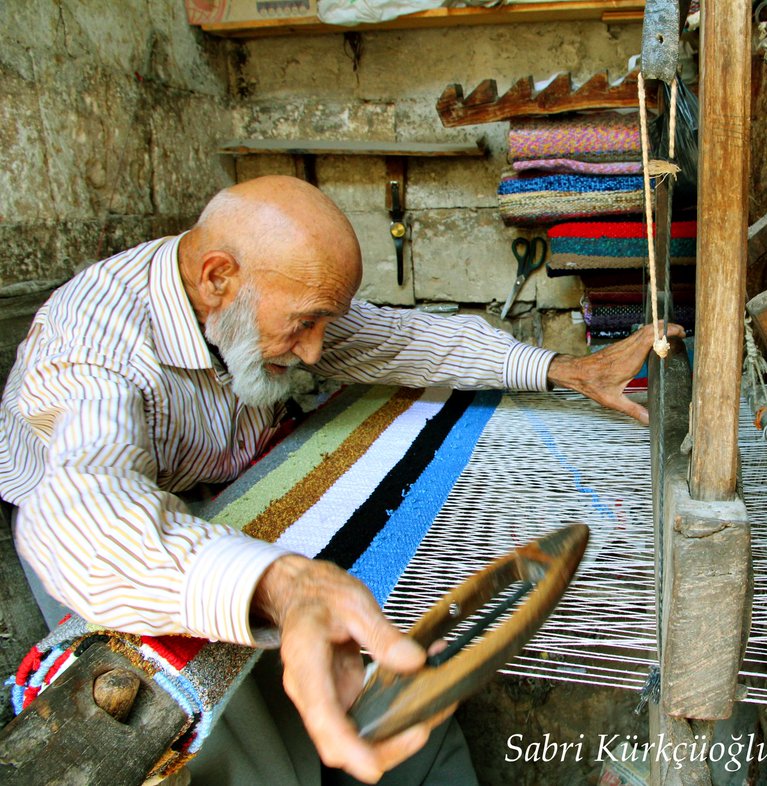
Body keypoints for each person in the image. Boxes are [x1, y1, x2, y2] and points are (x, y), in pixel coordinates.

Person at [0, 175, 683, 784]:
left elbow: (401, 340)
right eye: (306, 325)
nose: (319, 351)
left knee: (375, 673)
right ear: (216, 279)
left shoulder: (257, 294)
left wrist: (562, 371)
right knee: (235, 736)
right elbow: (82, 519)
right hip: (95, 541)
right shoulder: (92, 350)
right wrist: (282, 585)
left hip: (214, 483)